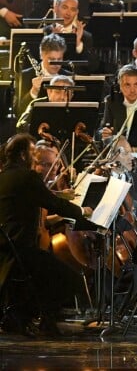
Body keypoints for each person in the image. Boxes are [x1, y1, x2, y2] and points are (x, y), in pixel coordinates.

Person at [0, 133, 92, 337]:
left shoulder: (5, 176)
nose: (36, 158)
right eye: (34, 153)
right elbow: (53, 204)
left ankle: (27, 317)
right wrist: (81, 211)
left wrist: (58, 196)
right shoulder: (28, 176)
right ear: (24, 155)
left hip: (6, 250)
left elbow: (29, 197)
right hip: (22, 251)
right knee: (72, 280)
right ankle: (41, 319)